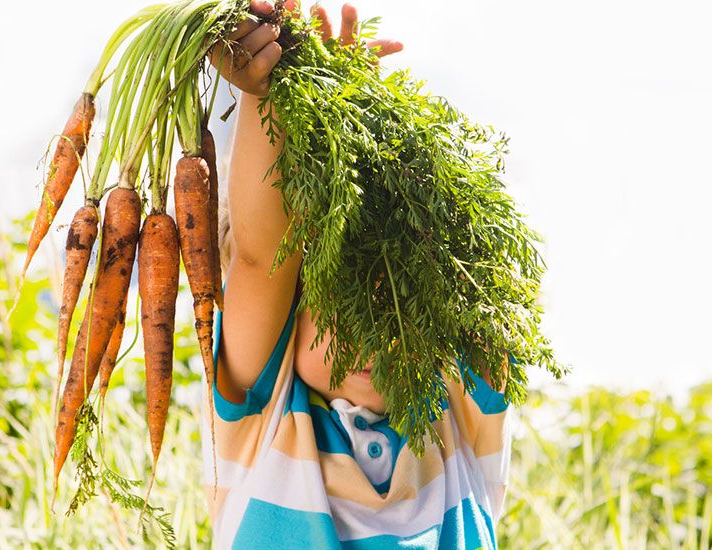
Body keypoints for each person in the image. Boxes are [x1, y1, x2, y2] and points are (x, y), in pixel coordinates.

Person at [204, 1, 514, 547]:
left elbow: (472, 264)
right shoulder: (266, 426)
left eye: (396, 310)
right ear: (287, 322)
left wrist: (357, 118)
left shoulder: (459, 428)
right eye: (342, 314)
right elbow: (260, 256)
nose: (371, 342)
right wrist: (270, 96)